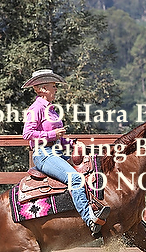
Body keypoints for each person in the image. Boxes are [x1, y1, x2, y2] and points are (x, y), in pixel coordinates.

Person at [21, 69, 110, 237]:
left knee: (91, 167)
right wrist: (51, 135)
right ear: (42, 89)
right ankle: (89, 219)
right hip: (43, 154)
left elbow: (59, 138)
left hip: (55, 151)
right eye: (53, 86)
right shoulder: (36, 108)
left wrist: (73, 143)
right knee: (75, 178)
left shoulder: (51, 109)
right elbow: (27, 134)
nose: (56, 89)